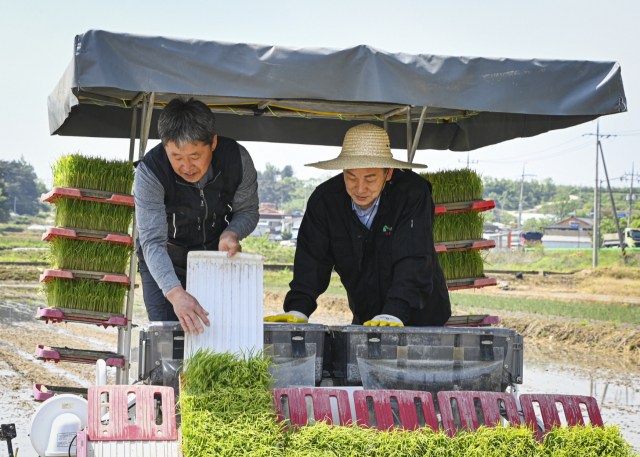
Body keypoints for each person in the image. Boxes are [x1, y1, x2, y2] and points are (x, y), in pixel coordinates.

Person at [265, 123, 451, 327]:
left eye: (370, 179)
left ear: (388, 173)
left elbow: (413, 258)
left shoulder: (412, 195)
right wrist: (298, 308)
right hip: (366, 316)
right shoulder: (325, 201)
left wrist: (395, 312)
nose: (360, 188)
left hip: (421, 318)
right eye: (350, 177)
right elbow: (311, 259)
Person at [134, 97, 259, 335]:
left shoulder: (237, 160)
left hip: (214, 260)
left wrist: (232, 233)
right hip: (165, 259)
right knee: (170, 339)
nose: (187, 167)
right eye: (176, 157)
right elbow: (152, 241)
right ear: (165, 147)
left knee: (216, 336)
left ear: (212, 143)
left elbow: (248, 211)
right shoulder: (150, 171)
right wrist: (175, 292)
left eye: (194, 156)